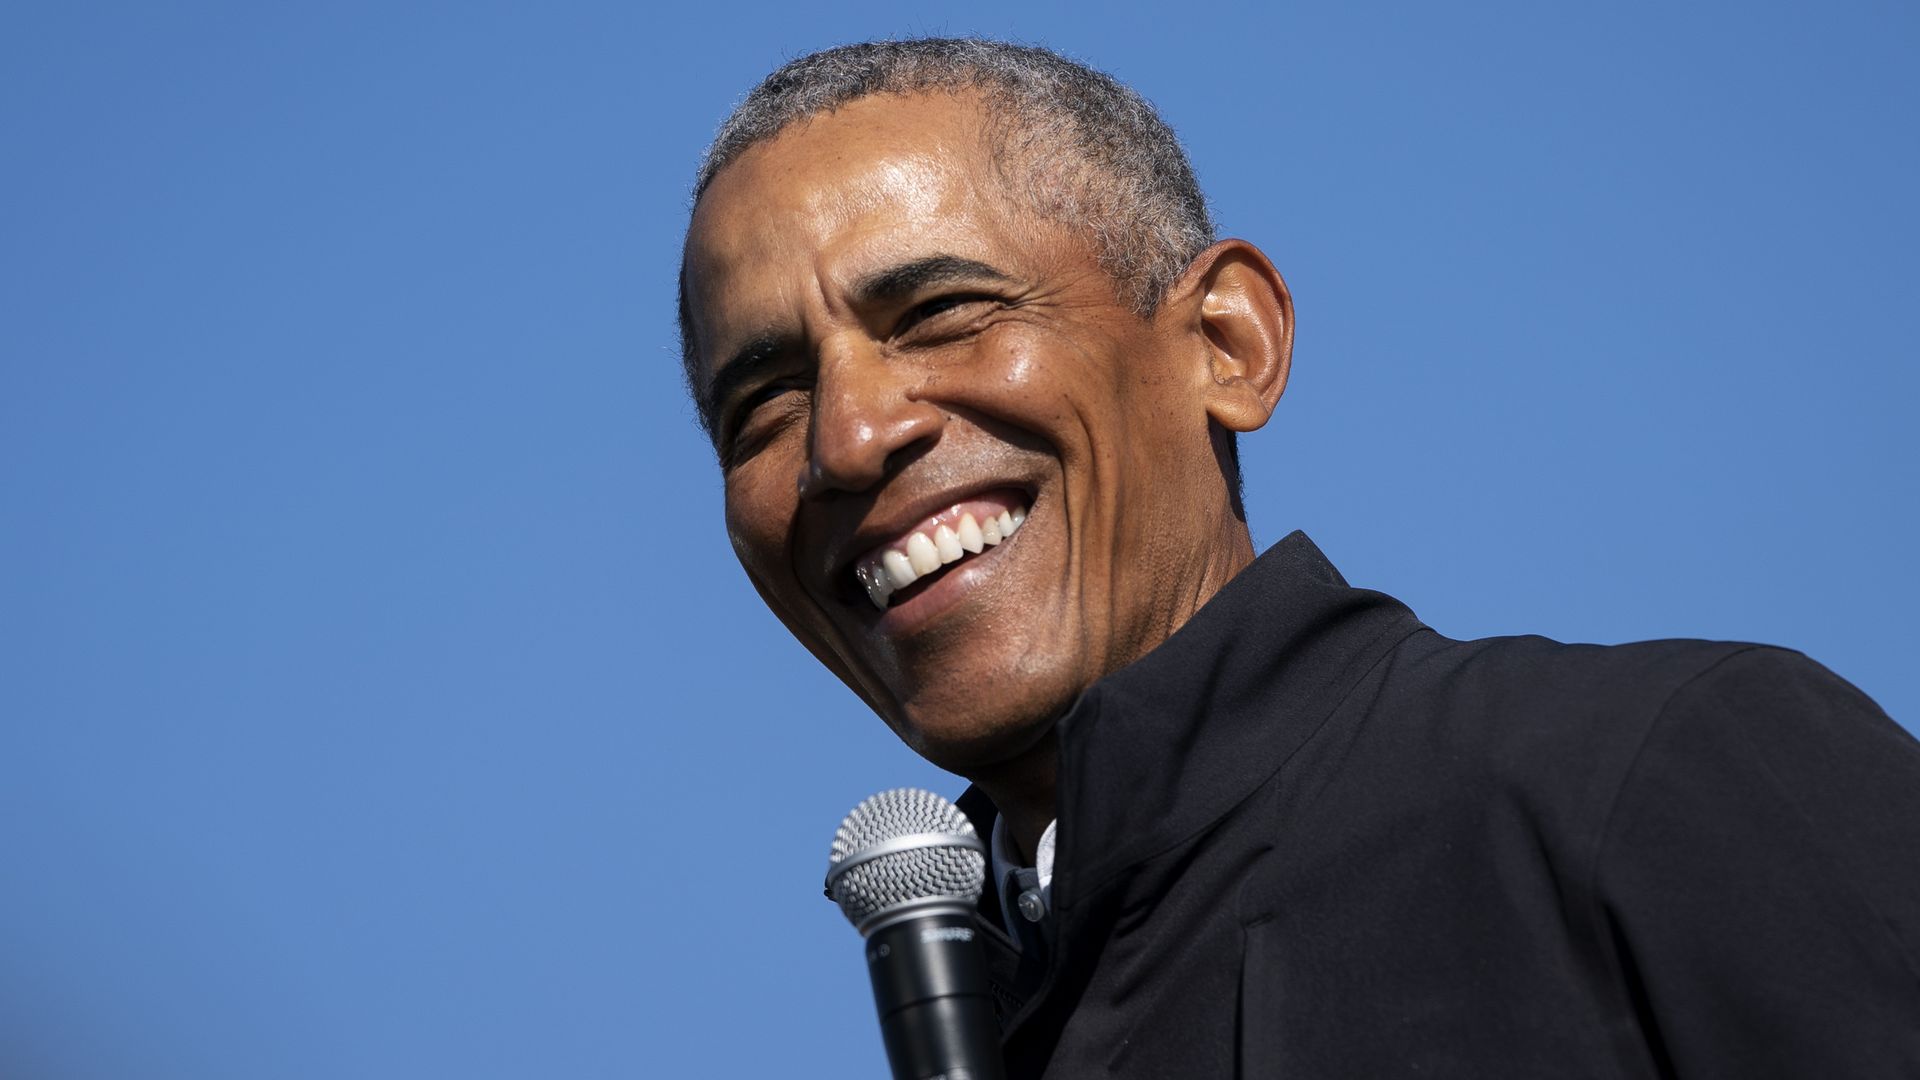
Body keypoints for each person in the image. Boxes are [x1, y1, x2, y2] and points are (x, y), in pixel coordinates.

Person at [677, 39, 1920, 1078]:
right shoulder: (985, 1009)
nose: (846, 439)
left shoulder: (1651, 780)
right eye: (763, 406)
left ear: (1228, 342)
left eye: (942, 313)